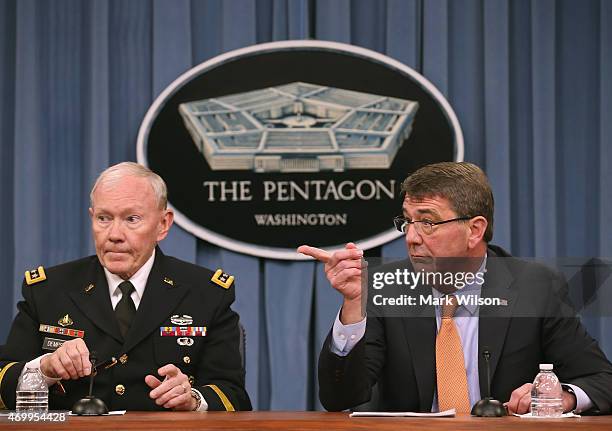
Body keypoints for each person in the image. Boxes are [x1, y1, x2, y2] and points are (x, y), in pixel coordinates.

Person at [299, 161, 612, 414]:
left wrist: (563, 396)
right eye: (408, 222)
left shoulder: (536, 287)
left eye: (428, 222)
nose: (411, 237)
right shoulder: (386, 288)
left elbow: (602, 380)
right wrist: (354, 305)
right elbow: (339, 398)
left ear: (475, 230)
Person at [0, 162, 251, 411]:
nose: (114, 234)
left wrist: (193, 398)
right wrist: (45, 370)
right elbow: (3, 382)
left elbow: (234, 396)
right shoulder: (48, 290)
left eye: (131, 219)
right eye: (103, 218)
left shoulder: (206, 293)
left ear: (163, 224)